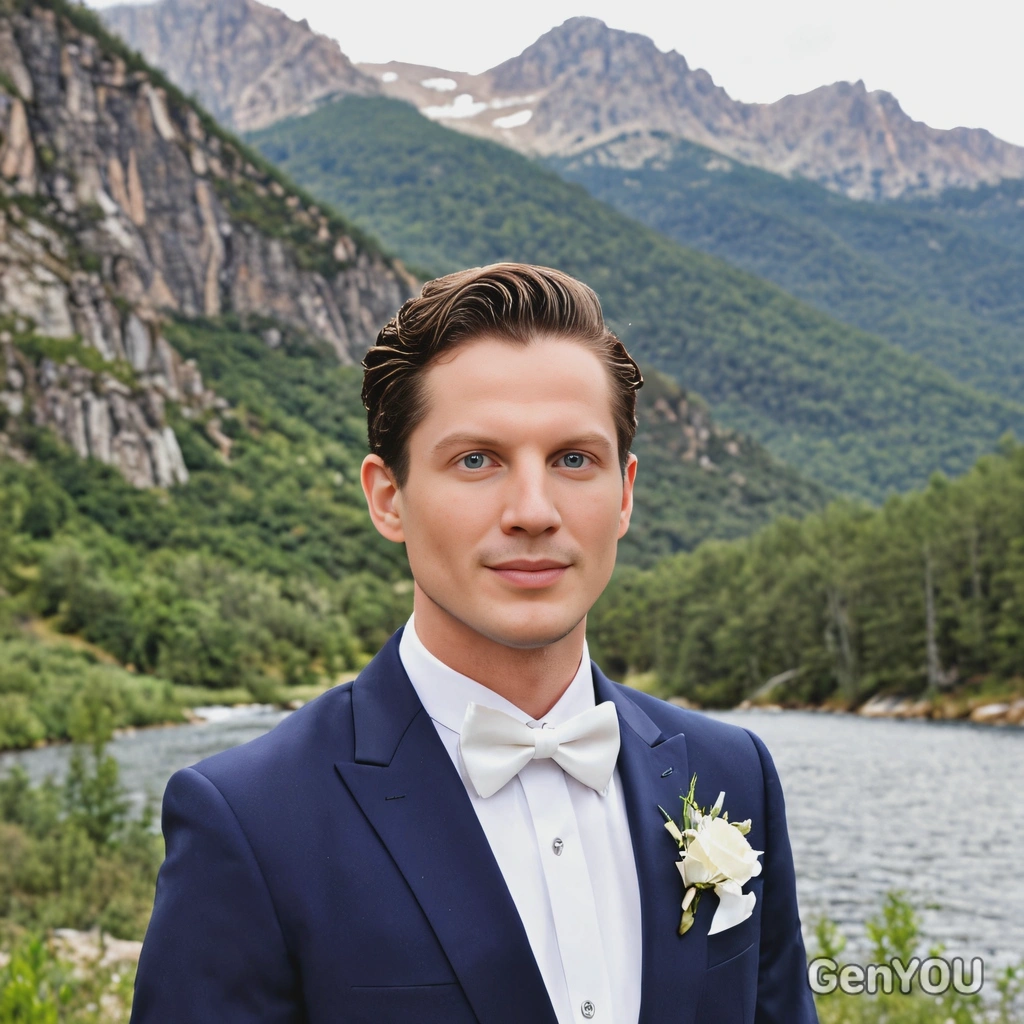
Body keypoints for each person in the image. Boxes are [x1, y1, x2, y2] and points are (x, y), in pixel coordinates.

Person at [130, 263, 818, 1024]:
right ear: (388, 499)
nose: (533, 510)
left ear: (623, 496)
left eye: (572, 460)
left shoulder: (733, 773)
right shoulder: (250, 821)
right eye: (476, 460)